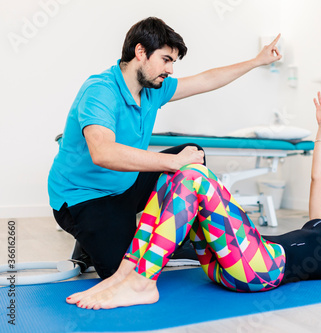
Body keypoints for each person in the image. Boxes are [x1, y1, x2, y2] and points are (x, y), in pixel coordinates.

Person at [66, 83, 321, 310]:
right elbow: (318, 178)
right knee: (177, 173)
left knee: (195, 175)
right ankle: (130, 271)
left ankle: (142, 281)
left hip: (260, 269)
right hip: (231, 263)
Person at [48, 17, 282, 279]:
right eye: (166, 59)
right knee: (121, 273)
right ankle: (88, 241)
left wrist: (256, 61)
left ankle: (175, 237)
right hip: (84, 197)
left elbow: (206, 79)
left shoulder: (153, 89)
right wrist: (172, 162)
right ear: (140, 52)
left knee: (192, 153)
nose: (170, 69)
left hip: (124, 187)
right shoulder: (100, 90)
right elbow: (103, 153)